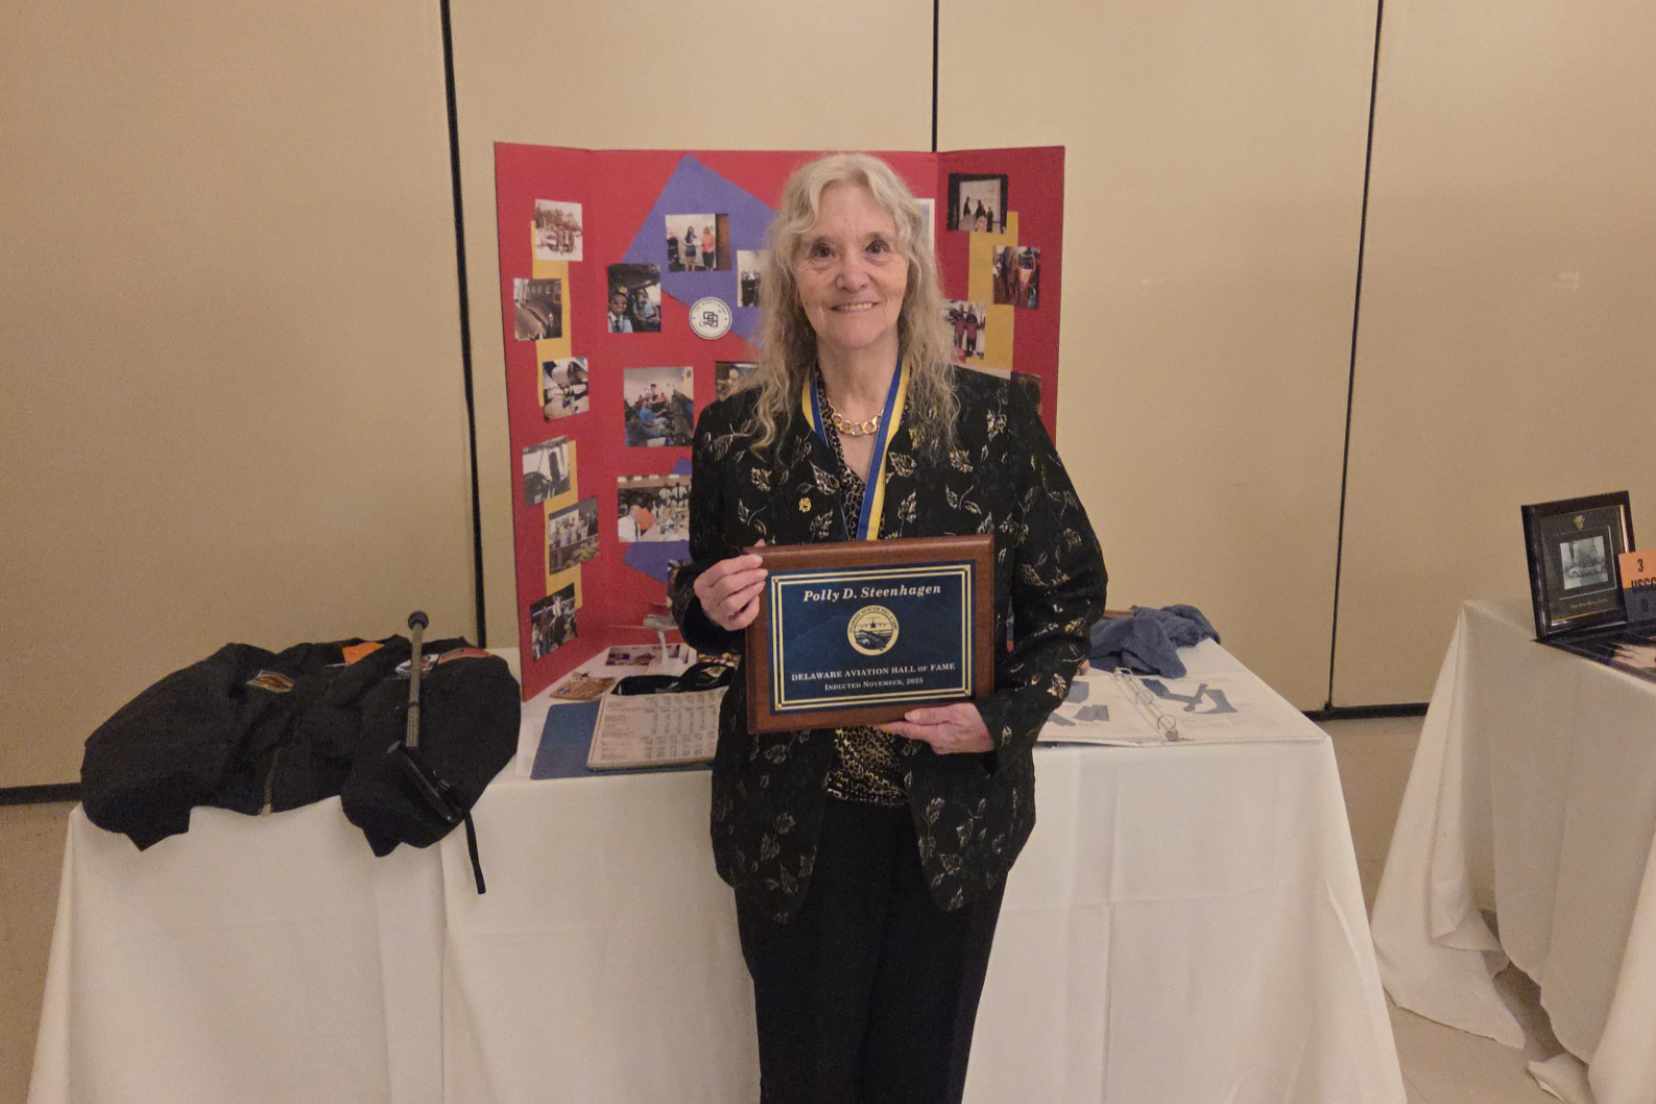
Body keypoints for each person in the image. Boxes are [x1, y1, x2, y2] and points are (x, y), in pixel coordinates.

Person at [669, 152, 1105, 1102]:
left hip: (946, 817)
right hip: (796, 821)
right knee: (805, 1077)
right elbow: (701, 606)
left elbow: (1069, 598)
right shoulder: (737, 436)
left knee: (921, 1075)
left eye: (875, 247)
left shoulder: (992, 422)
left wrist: (1003, 717)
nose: (851, 274)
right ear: (791, 275)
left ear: (911, 267)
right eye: (822, 251)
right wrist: (705, 608)